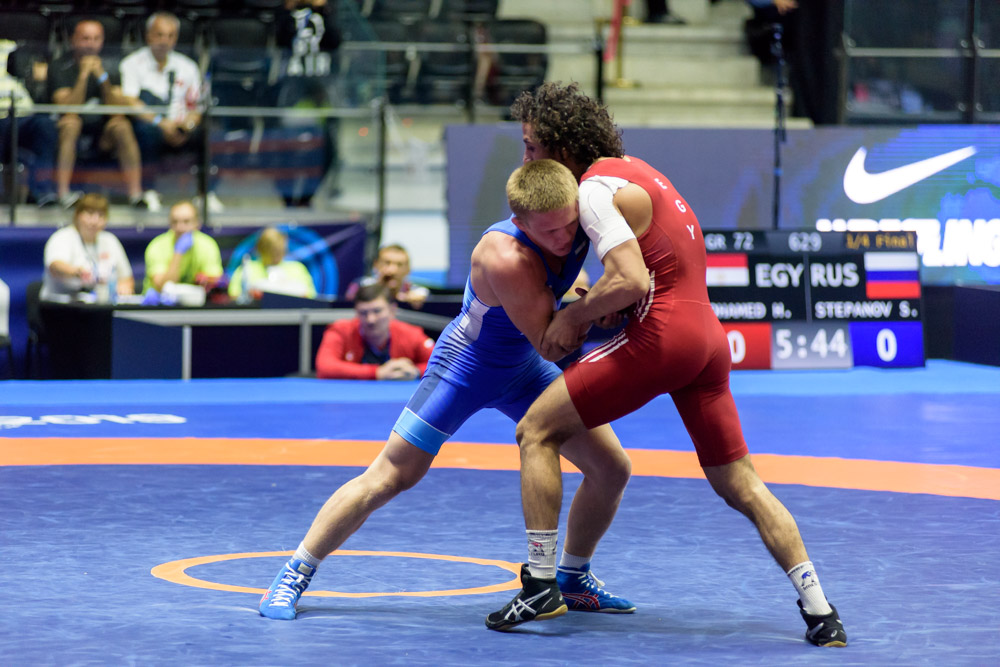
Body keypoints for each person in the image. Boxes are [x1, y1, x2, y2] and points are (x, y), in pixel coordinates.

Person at [488, 82, 847, 647]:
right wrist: (596, 298)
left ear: (562, 147)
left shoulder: (593, 188)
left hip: (662, 337)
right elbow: (647, 266)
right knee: (741, 482)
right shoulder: (639, 172)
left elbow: (632, 280)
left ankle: (538, 583)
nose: (527, 158)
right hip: (708, 339)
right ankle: (821, 611)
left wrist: (573, 318)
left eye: (533, 147)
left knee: (536, 431)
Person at [259, 159, 634, 622]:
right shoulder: (503, 255)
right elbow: (553, 343)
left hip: (524, 369)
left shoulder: (579, 219)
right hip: (464, 369)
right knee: (391, 475)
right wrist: (599, 310)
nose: (564, 239)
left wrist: (597, 298)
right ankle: (294, 573)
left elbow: (580, 289)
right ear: (521, 223)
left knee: (611, 467)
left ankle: (573, 577)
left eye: (569, 226)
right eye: (550, 231)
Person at [119, 11, 223, 214]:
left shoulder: (188, 66)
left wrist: (187, 126)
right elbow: (130, 102)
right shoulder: (131, 63)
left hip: (182, 125)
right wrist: (162, 123)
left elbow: (197, 105)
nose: (164, 41)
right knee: (143, 131)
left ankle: (205, 194)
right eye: (159, 35)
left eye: (170, 36)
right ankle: (148, 191)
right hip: (152, 124)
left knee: (212, 133)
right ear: (148, 36)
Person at [48, 19, 157, 211]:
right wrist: (83, 75)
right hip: (69, 133)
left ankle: (135, 194)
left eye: (96, 39)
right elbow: (68, 108)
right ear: (73, 40)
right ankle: (63, 194)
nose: (91, 44)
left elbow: (116, 107)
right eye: (85, 38)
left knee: (121, 125)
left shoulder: (111, 67)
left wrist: (102, 78)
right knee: (71, 123)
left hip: (102, 134)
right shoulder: (59, 66)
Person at [274, 0, 342, 207]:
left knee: (328, 151)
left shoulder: (326, 14)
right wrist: (289, 8)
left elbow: (335, 41)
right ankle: (287, 197)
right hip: (292, 94)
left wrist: (323, 10)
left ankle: (307, 197)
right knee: (287, 149)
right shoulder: (286, 16)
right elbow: (280, 39)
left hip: (322, 95)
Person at [314, 282, 433, 380]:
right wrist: (377, 372)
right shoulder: (340, 331)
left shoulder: (411, 334)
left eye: (377, 311)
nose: (371, 319)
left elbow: (440, 365)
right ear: (356, 313)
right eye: (363, 313)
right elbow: (325, 367)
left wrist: (416, 371)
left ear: (392, 311)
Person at [40, 192, 135, 301]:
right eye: (90, 214)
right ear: (78, 215)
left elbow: (126, 278)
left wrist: (124, 287)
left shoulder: (110, 240)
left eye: (101, 215)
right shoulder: (62, 237)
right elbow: (55, 266)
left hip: (99, 303)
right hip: (61, 304)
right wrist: (77, 272)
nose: (95, 221)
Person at [0, 40, 57, 207]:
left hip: (24, 116)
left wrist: (38, 80)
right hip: (1, 116)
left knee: (45, 124)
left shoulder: (18, 50)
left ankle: (43, 191)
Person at [142, 199, 222, 293]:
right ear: (169, 224)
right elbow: (163, 286)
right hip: (160, 301)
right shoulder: (157, 246)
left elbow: (215, 282)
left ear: (197, 223)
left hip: (196, 300)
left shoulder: (207, 245)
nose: (180, 227)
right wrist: (178, 252)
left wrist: (205, 281)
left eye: (186, 222)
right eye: (175, 222)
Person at [228, 227, 317, 300]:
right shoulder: (247, 269)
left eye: (277, 251)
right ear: (260, 248)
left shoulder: (298, 269)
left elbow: (310, 298)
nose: (274, 256)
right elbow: (234, 297)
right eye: (270, 250)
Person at [344, 243, 430, 309]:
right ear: (376, 264)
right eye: (387, 263)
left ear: (408, 269)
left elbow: (424, 294)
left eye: (399, 265)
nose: (392, 270)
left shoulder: (417, 292)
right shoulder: (361, 286)